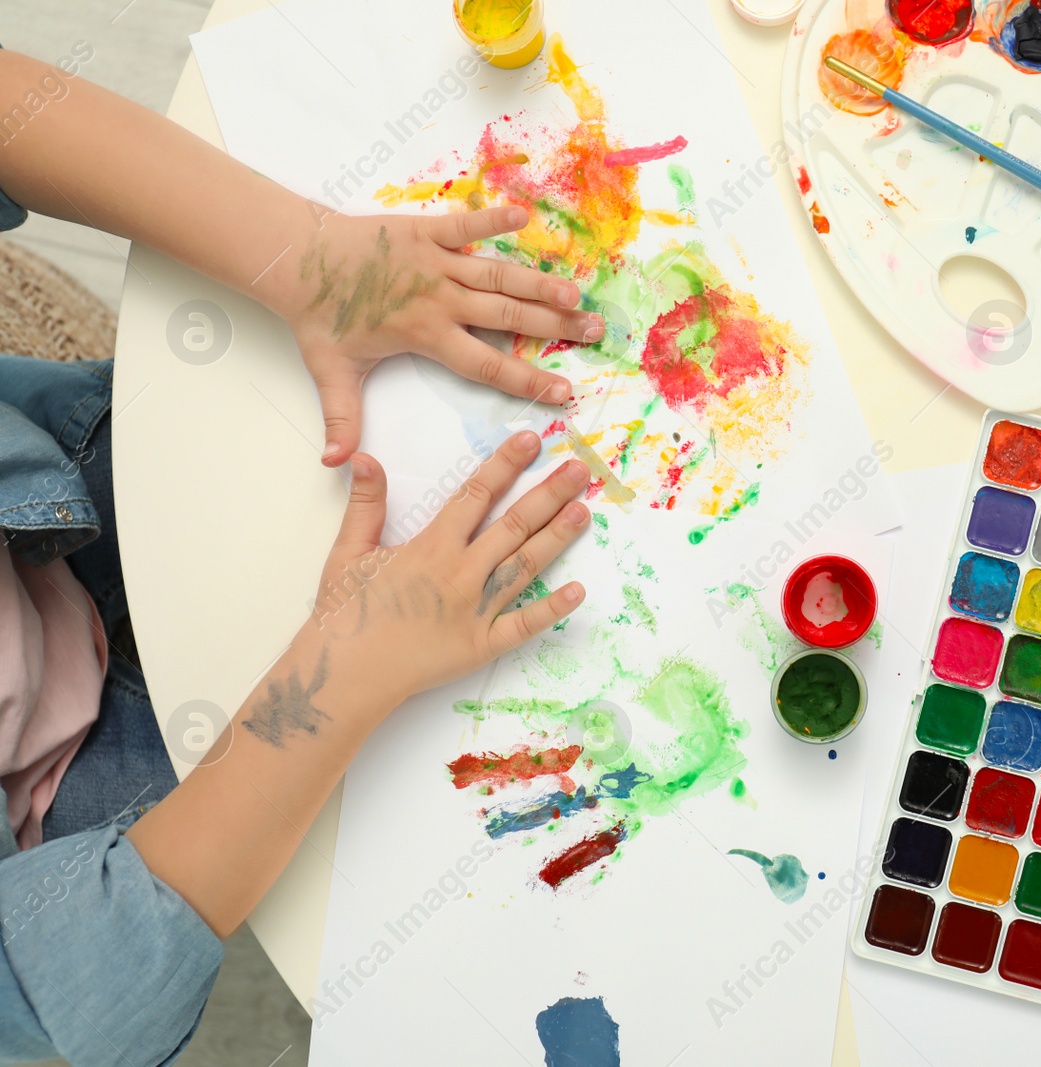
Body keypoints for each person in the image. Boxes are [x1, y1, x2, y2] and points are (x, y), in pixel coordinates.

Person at [0, 46, 595, 1065]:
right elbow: (83, 988)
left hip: (56, 496)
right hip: (96, 798)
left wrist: (308, 256)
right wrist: (342, 670)